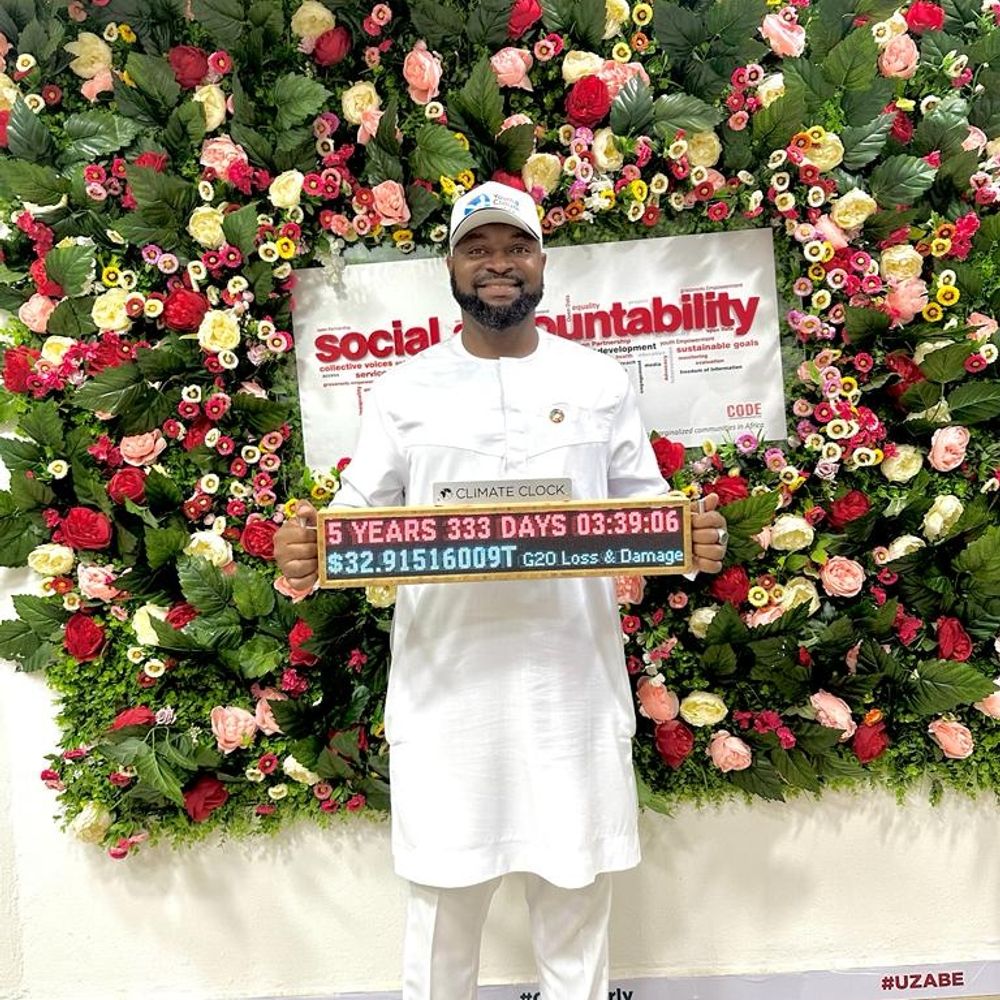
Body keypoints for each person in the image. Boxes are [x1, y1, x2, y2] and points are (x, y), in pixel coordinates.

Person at [274, 181, 728, 1000]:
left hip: (570, 688)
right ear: (450, 267)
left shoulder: (597, 380)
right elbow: (354, 517)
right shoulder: (405, 389)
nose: (498, 264)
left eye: (516, 247)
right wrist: (305, 550)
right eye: (478, 249)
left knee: (576, 906)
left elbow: (648, 510)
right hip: (449, 694)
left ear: (542, 262)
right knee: (442, 917)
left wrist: (694, 539)